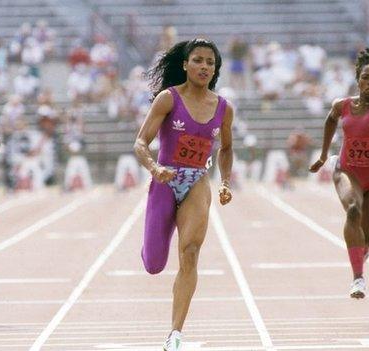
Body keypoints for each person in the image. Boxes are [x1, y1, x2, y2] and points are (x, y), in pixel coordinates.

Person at [134, 38, 234, 351]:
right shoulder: (168, 99)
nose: (204, 66)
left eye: (210, 62)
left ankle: (175, 334)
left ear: (215, 69)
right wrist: (154, 168)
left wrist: (225, 182)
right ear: (185, 65)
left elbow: (227, 148)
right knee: (154, 264)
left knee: (190, 252)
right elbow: (140, 143)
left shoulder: (222, 107)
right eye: (198, 60)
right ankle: (152, 251)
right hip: (165, 179)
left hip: (197, 182)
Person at [310, 48, 369, 299]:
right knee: (353, 209)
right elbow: (330, 120)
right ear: (358, 80)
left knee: (368, 235)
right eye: (366, 77)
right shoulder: (342, 105)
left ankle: (363, 246)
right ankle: (358, 279)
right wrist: (322, 155)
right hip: (346, 171)